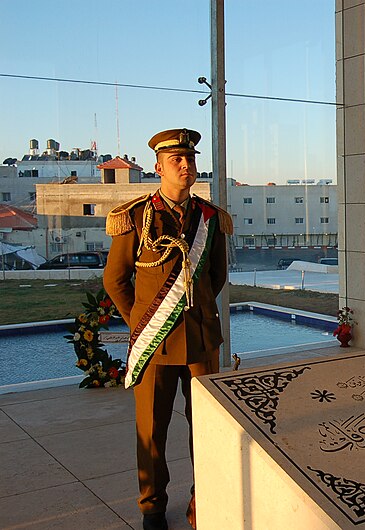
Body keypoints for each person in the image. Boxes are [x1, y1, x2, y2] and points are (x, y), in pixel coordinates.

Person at [103, 128, 232, 530]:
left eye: (190, 158)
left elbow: (216, 275)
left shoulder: (210, 219)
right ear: (158, 168)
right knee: (152, 431)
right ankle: (152, 508)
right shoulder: (136, 217)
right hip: (154, 344)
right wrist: (140, 323)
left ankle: (203, 498)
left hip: (199, 343)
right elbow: (115, 280)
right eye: (177, 159)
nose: (186, 164)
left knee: (207, 429)